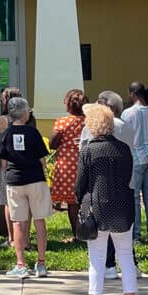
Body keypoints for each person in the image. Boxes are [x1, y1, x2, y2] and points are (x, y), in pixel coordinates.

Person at [76, 104, 138, 295]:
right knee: (126, 256)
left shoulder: (89, 150)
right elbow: (129, 176)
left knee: (96, 259)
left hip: (96, 209)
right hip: (123, 207)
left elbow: (80, 183)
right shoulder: (124, 149)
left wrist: (80, 200)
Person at [0, 96, 52, 278]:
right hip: (35, 179)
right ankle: (41, 264)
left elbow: (3, 164)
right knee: (39, 220)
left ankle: (20, 264)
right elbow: (42, 160)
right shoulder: (33, 133)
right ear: (25, 112)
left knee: (18, 223)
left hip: (14, 181)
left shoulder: (4, 134)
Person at [122, 81, 148, 243]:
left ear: (133, 94)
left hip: (135, 157)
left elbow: (124, 137)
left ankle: (136, 235)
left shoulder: (128, 114)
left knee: (135, 197)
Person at [50, 89, 87, 239]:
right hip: (85, 160)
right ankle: (89, 232)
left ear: (69, 104)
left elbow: (52, 143)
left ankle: (77, 235)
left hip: (68, 164)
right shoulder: (89, 122)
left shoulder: (63, 122)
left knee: (72, 202)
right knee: (85, 199)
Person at [0, 86, 24, 246]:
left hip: (7, 162)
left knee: (8, 201)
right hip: (25, 162)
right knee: (24, 202)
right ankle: (24, 238)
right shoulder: (29, 118)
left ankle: (11, 238)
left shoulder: (3, 120)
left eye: (3, 98)